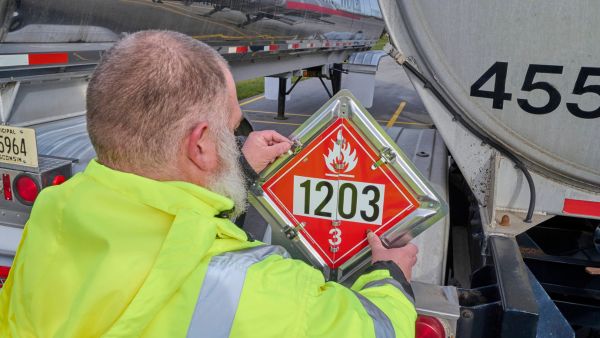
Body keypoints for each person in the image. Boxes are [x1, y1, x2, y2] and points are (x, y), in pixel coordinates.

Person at [0, 31, 419, 337]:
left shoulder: (53, 215)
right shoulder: (257, 286)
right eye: (231, 128)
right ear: (200, 145)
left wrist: (239, 168)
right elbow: (378, 329)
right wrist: (389, 277)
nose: (235, 138)